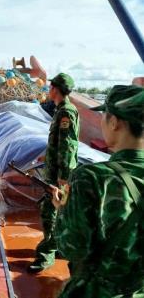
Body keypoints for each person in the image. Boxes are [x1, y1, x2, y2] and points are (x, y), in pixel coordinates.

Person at [52, 85, 144, 298]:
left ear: (114, 122)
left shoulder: (91, 177)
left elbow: (72, 248)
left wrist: (63, 211)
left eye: (104, 116)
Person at [28, 72, 80, 273]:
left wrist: (63, 176)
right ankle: (58, 246)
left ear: (56, 89)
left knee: (50, 212)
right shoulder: (63, 110)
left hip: (59, 173)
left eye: (50, 87)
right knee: (58, 211)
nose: (48, 90)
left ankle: (45, 255)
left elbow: (68, 146)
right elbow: (59, 143)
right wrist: (46, 157)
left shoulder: (66, 112)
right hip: (56, 168)